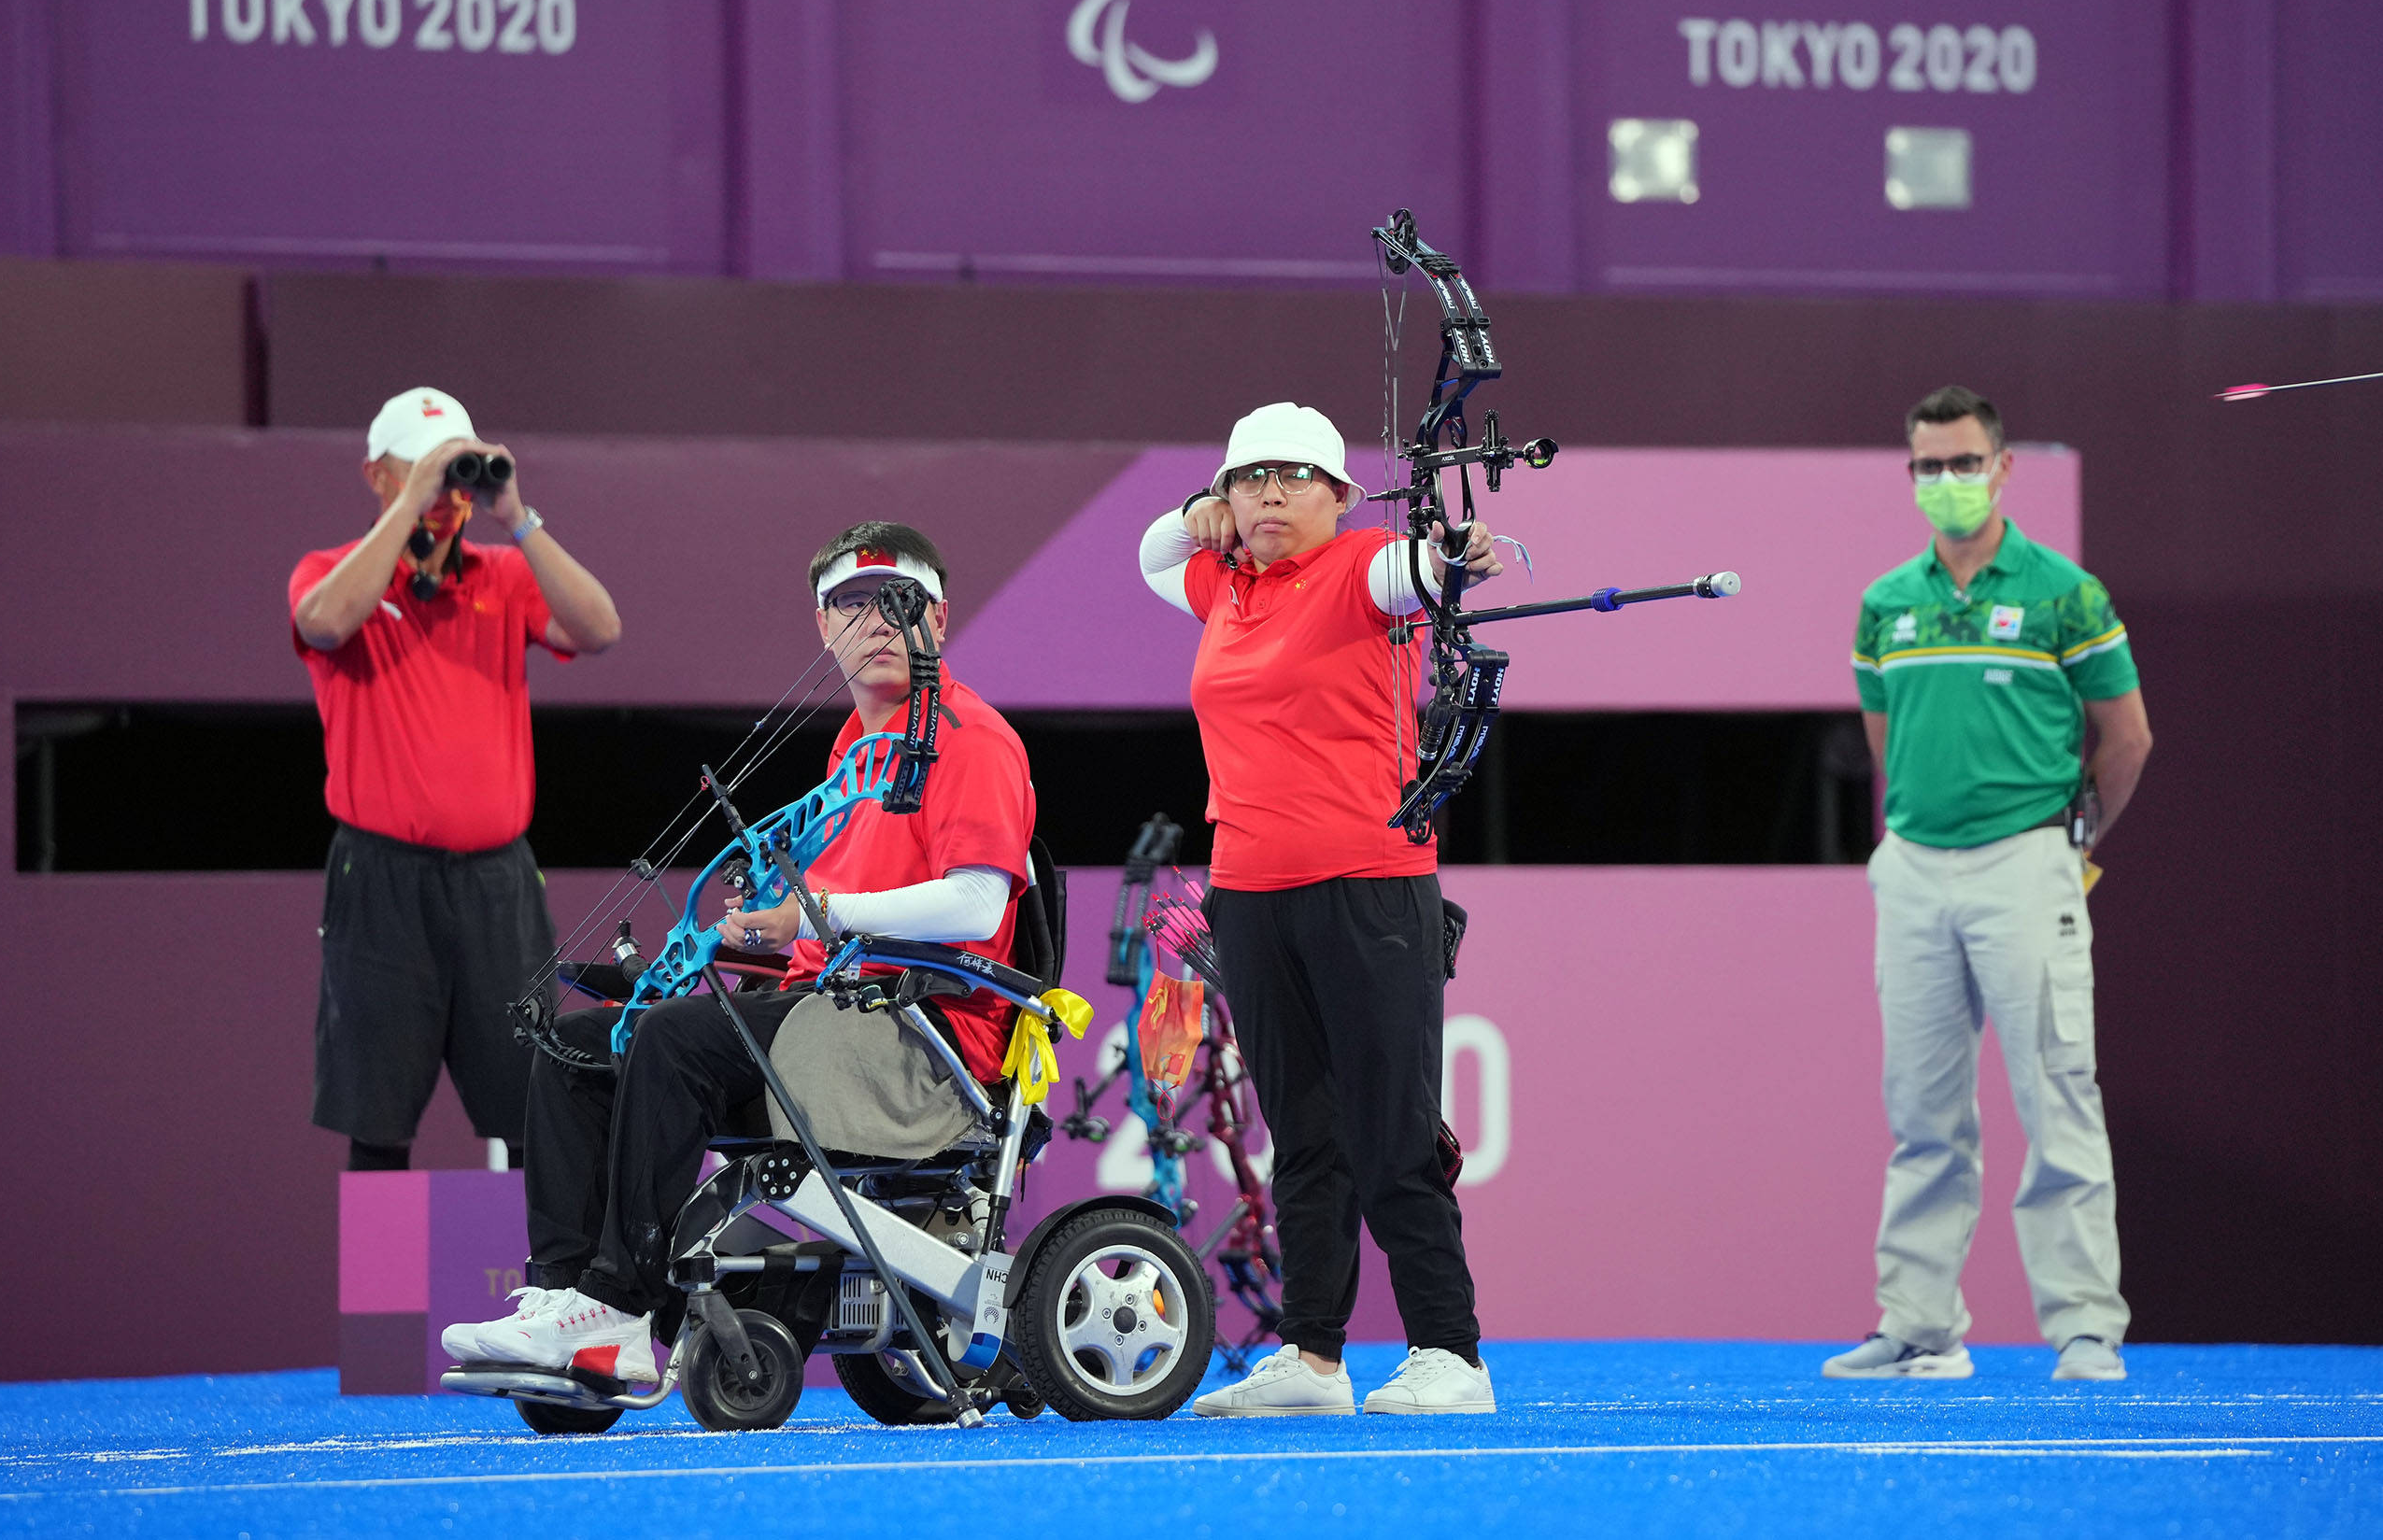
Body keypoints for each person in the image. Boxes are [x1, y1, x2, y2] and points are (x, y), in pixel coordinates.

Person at [441, 521, 1038, 1384]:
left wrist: (808, 915)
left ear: (938, 622)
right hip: (826, 1024)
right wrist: (734, 940)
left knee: (674, 1040)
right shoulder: (852, 752)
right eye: (852, 603)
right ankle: (564, 1300)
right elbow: (816, 930)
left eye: (897, 603)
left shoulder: (971, 738)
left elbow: (977, 903)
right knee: (581, 1045)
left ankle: (618, 1306)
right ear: (822, 627)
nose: (875, 621)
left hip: (914, 1046)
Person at [1136, 402, 1506, 1418]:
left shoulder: (1366, 566)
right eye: (1247, 477)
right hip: (1248, 894)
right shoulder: (1223, 586)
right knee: (1300, 1132)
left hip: (1370, 885)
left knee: (1391, 1127)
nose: (1266, 493)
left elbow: (1431, 569)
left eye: (1292, 477)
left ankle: (1450, 1352)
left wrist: (1456, 549)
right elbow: (1151, 552)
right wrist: (1193, 509)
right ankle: (1312, 1360)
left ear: (1338, 496)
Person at [1824, 386, 2153, 1384]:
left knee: (2055, 1093)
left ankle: (2085, 1327)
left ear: (2002, 468)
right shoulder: (1887, 602)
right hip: (1916, 865)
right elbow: (1886, 740)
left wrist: (2070, 841)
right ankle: (1918, 1322)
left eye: (1964, 463)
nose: (1947, 481)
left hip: (2025, 858)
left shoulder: (2065, 593)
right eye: (1928, 466)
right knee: (1920, 1111)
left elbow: (2126, 737)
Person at [291, 389, 621, 1174]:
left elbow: (600, 628)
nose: (448, 496)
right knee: (376, 1110)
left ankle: (542, 1286)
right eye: (426, 473)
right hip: (380, 878)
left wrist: (518, 514)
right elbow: (325, 623)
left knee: (531, 1097)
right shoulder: (333, 572)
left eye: (457, 475)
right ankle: (383, 1294)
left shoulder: (502, 575)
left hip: (497, 881)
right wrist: (409, 504)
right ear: (378, 475)